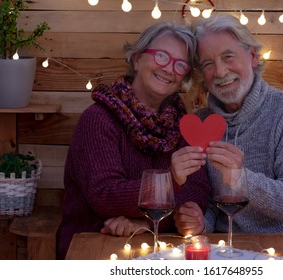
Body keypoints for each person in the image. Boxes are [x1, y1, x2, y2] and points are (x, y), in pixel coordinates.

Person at [173, 14, 283, 255]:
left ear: (252, 56)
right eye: (208, 64)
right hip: (229, 249)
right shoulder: (203, 122)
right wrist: (200, 221)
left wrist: (241, 179)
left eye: (228, 57)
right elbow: (212, 203)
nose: (219, 71)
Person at [56, 21, 210, 259]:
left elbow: (197, 191)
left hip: (162, 249)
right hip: (95, 246)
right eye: (161, 56)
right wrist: (170, 180)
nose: (169, 69)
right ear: (137, 59)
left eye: (180, 64)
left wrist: (145, 223)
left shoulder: (182, 124)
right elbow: (104, 196)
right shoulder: (98, 119)